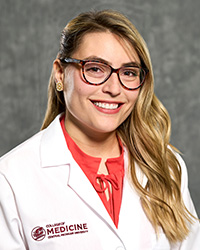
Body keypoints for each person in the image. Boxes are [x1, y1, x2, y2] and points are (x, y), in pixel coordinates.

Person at [0, 9, 199, 250]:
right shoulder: (10, 179)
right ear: (60, 73)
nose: (114, 88)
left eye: (128, 72)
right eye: (96, 68)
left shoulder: (166, 165)